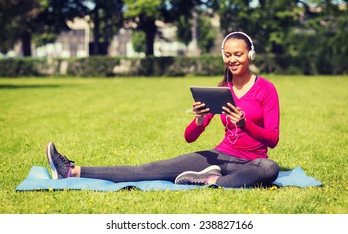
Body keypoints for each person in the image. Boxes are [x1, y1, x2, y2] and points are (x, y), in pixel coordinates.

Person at [46, 31, 280, 188]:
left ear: (250, 55)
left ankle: (213, 182)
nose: (232, 60)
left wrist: (244, 124)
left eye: (238, 54)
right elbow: (189, 138)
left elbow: (273, 139)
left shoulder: (266, 90)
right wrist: (199, 121)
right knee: (149, 169)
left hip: (251, 162)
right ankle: (71, 171)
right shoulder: (221, 91)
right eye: (227, 55)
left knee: (270, 169)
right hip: (218, 156)